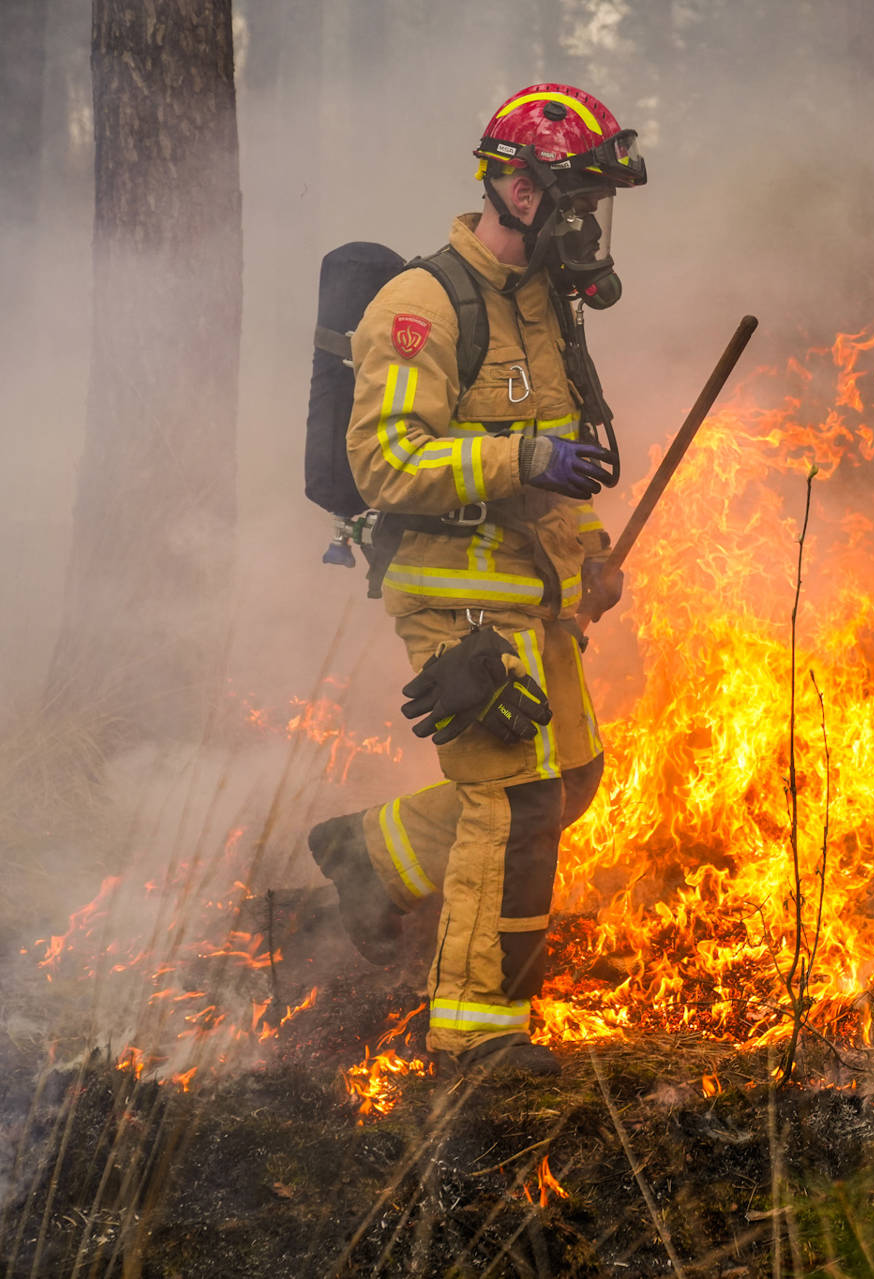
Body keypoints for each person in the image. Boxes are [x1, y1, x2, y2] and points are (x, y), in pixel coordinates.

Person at [307, 83, 646, 1079]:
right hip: (455, 599)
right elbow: (387, 464)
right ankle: (475, 1037)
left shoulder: (541, 309)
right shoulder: (421, 307)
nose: (589, 226)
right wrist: (517, 458)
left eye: (597, 206)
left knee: (573, 779)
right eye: (577, 201)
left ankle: (370, 856)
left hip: (530, 595)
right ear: (517, 189)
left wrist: (589, 556)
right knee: (512, 801)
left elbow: (560, 463)